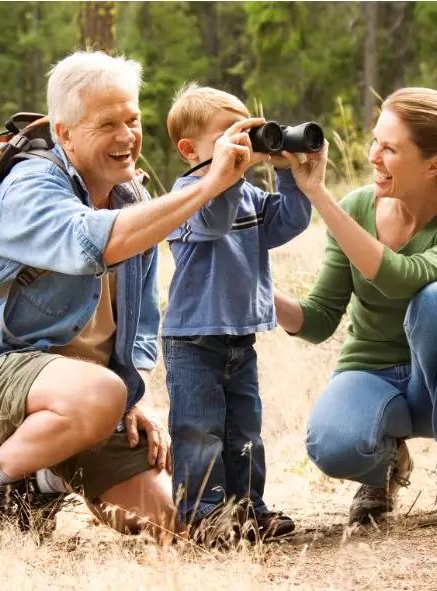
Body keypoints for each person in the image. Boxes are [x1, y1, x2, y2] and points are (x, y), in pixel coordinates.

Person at [0, 52, 268, 542]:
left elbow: (138, 325)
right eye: (107, 124)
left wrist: (134, 401)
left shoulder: (132, 197)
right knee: (100, 393)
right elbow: (95, 241)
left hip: (89, 399)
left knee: (176, 525)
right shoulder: (30, 185)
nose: (126, 136)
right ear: (65, 133)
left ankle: (44, 480)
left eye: (132, 119)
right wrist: (210, 182)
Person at [274, 87, 437, 523]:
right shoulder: (358, 206)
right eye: (375, 140)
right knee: (332, 445)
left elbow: (404, 279)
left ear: (435, 164)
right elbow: (320, 318)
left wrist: (318, 195)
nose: (374, 156)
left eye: (391, 148)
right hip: (371, 373)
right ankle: (384, 464)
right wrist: (257, 288)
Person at [161, 84, 313, 541]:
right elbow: (214, 221)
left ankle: (248, 509)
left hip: (238, 339)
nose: (243, 143)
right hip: (192, 341)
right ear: (190, 150)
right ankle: (204, 516)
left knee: (244, 430)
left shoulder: (246, 195)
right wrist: (224, 177)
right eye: (229, 135)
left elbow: (290, 221)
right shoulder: (187, 195)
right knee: (199, 431)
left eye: (247, 132)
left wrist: (288, 171)